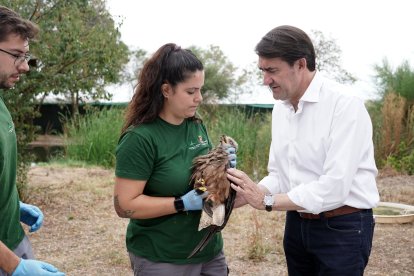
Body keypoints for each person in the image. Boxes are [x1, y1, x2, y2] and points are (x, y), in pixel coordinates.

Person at [227, 25, 380, 276]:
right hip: (296, 224)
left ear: (300, 64)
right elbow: (279, 175)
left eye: (272, 71)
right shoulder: (281, 109)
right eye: (262, 71)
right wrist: (248, 194)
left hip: (342, 227)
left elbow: (334, 187)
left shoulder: (344, 105)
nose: (265, 80)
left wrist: (265, 201)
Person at [114, 43, 235, 276]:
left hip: (208, 251)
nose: (199, 98)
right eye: (191, 92)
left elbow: (203, 183)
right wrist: (180, 203)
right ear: (166, 90)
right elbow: (124, 206)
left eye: (200, 90)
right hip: (162, 256)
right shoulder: (140, 138)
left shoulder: (196, 126)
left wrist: (222, 167)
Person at [0, 5, 65, 276]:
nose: (25, 66)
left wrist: (12, 205)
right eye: (16, 55)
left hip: (11, 237)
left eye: (26, 56)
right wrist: (15, 267)